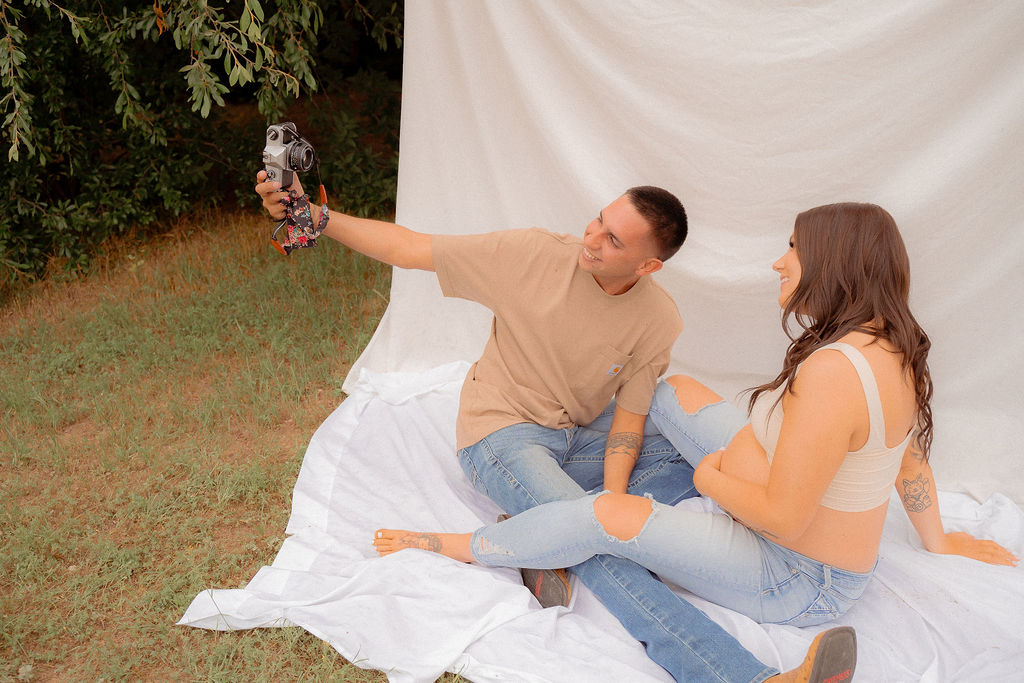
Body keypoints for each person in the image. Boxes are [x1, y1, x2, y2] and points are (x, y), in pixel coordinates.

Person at [374, 203, 1020, 680]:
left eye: (792, 246)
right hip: (811, 537)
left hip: (796, 574)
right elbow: (904, 452)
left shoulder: (831, 374)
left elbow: (783, 516)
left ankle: (741, 674)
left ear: (833, 262)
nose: (778, 259)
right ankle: (550, 521)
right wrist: (941, 539)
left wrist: (712, 477)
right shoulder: (889, 346)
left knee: (608, 517)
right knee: (672, 391)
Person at [256, 170, 827, 682]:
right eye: (599, 222)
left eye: (613, 240)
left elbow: (630, 421)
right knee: (604, 550)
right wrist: (317, 218)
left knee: (695, 457)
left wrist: (611, 507)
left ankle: (540, 536)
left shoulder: (659, 317)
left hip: (581, 436)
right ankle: (739, 677)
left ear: (648, 265)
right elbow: (411, 248)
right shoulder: (531, 254)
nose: (592, 239)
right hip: (502, 435)